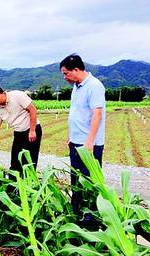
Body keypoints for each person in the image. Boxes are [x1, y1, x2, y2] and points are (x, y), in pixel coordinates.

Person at [60, 54, 106, 220]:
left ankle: (91, 218)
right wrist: (71, 137)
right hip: (76, 142)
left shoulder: (94, 86)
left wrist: (90, 141)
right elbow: (77, 114)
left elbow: (97, 114)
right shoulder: (77, 86)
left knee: (89, 181)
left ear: (76, 69)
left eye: (66, 73)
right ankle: (77, 213)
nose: (65, 77)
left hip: (89, 145)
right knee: (76, 181)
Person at [0, 83, 42, 176]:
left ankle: (29, 184)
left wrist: (32, 130)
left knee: (30, 160)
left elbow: (32, 110)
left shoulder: (17, 95)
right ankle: (13, 187)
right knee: (15, 161)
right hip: (18, 132)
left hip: (31, 130)